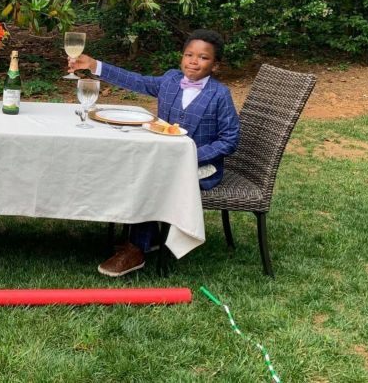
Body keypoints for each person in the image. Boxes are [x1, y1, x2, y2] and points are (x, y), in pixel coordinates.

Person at [67, 29, 240, 277]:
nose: (193, 61)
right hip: (166, 161)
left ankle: (136, 249)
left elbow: (230, 140)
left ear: (216, 66)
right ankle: (150, 236)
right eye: (189, 55)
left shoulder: (220, 95)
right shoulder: (170, 81)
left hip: (202, 168)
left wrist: (190, 154)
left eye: (203, 57)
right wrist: (96, 65)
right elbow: (136, 81)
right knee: (134, 166)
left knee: (150, 178)